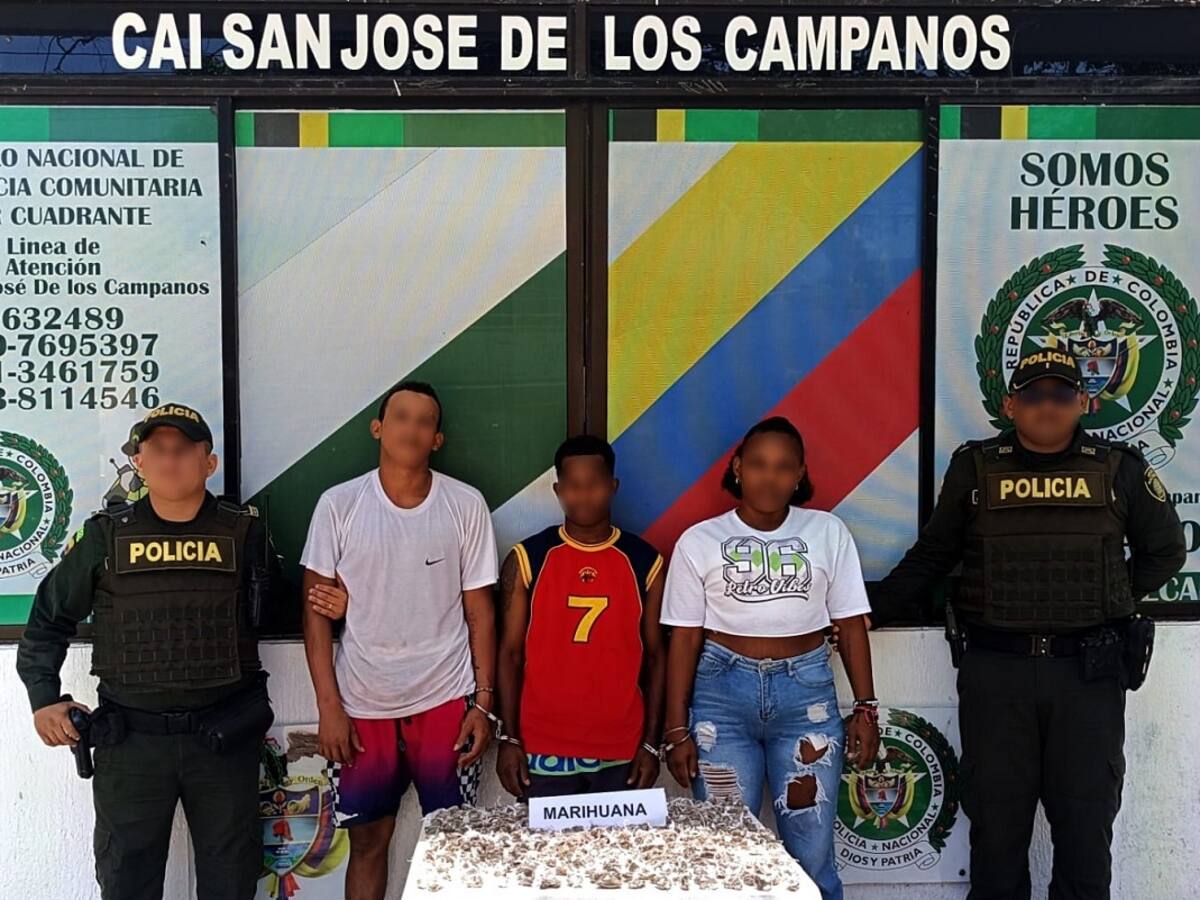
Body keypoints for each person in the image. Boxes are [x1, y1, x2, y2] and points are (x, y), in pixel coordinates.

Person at [869, 350, 1187, 900]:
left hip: (1088, 675)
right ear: (1010, 405)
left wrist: (1106, 596)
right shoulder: (975, 467)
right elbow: (934, 556)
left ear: (1083, 403)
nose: (1047, 405)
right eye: (1034, 394)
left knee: (1086, 836)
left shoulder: (1118, 468)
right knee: (996, 835)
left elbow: (1166, 552)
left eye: (1061, 394)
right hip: (998, 674)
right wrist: (867, 610)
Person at [16, 403, 278, 900]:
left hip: (222, 740)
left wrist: (336, 602)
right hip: (132, 743)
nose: (169, 460)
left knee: (232, 882)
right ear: (138, 462)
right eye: (156, 450)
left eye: (183, 449)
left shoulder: (245, 534)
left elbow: (284, 610)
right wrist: (43, 697)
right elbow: (48, 620)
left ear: (209, 463)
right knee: (126, 883)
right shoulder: (105, 536)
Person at [662, 416, 879, 900]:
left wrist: (865, 707)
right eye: (758, 464)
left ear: (800, 474)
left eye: (783, 467)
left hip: (806, 700)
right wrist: (676, 729)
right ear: (737, 467)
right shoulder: (699, 541)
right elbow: (683, 639)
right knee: (727, 854)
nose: (770, 477)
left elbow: (848, 623)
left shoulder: (827, 532)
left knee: (811, 850)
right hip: (721, 698)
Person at [301, 380, 497, 900]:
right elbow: (315, 614)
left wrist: (484, 703)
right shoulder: (339, 505)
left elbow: (480, 608)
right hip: (363, 705)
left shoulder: (464, 504)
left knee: (453, 848)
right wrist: (329, 709)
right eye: (401, 417)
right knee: (368, 842)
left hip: (446, 702)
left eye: (424, 421)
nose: (411, 428)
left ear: (437, 439)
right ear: (378, 428)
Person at [494, 435, 665, 799]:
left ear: (613, 486)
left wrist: (651, 743)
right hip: (543, 745)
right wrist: (509, 737)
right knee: (549, 856)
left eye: (594, 484)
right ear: (558, 490)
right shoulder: (528, 558)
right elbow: (509, 653)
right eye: (573, 485)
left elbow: (656, 656)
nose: (584, 494)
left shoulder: (644, 561)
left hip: (620, 746)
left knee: (615, 855)